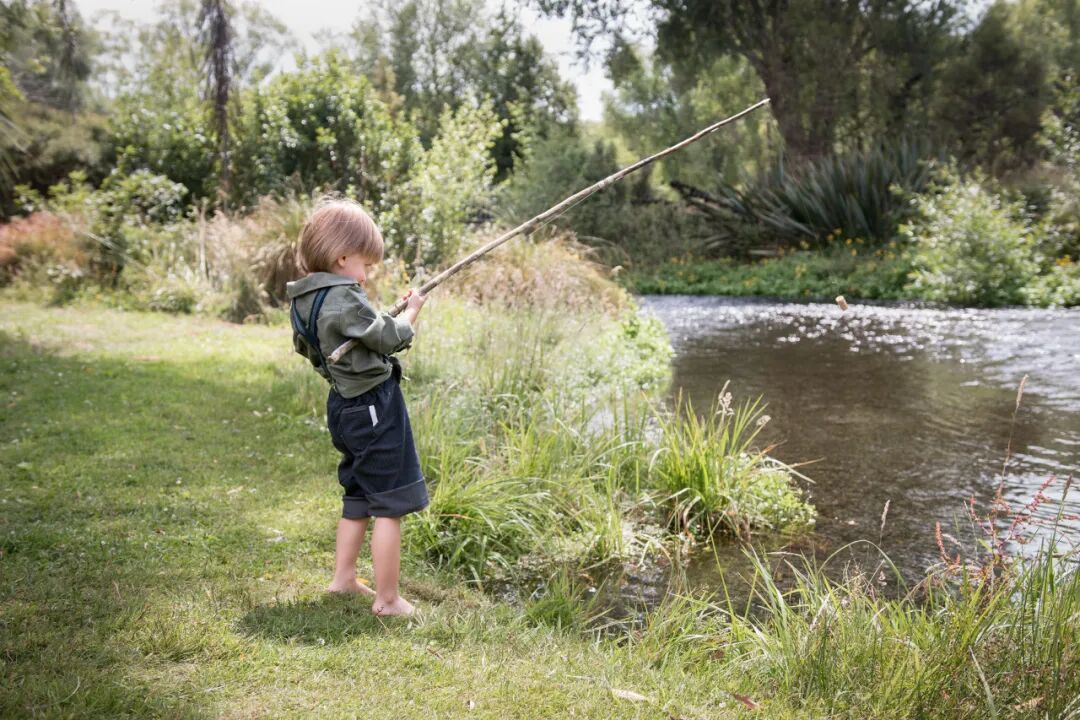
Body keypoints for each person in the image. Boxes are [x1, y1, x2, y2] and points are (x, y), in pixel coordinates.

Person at [286, 197, 427, 616]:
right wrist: (411, 314)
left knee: (359, 494)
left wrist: (380, 320)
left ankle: (344, 578)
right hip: (373, 405)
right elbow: (387, 338)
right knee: (390, 500)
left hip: (342, 405)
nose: (365, 275)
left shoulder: (304, 299)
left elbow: (319, 344)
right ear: (342, 256)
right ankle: (387, 599)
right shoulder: (345, 296)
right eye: (364, 264)